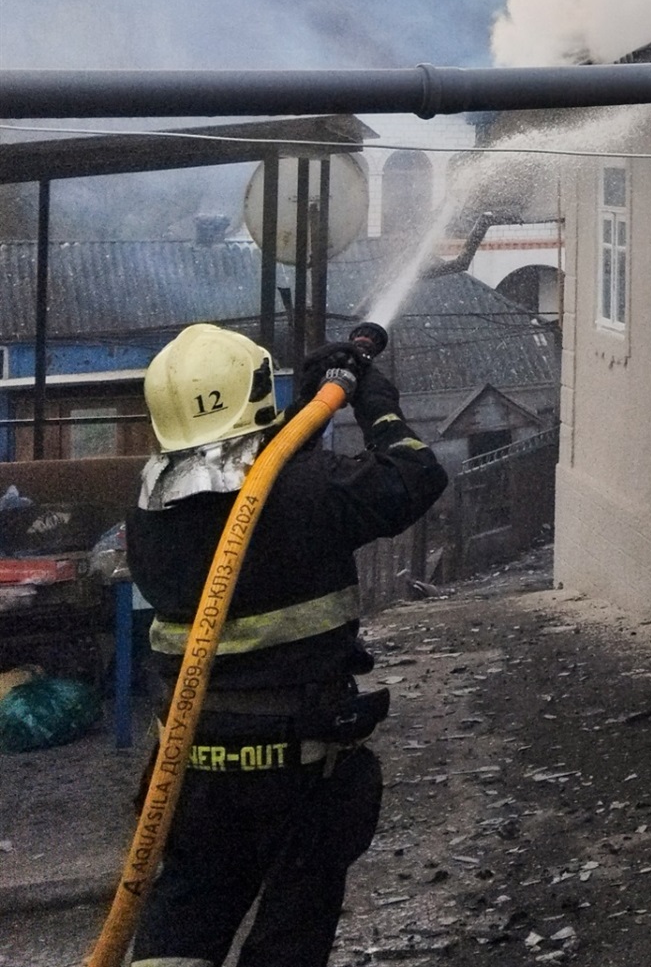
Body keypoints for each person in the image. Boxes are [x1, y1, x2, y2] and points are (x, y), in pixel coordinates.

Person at [124, 323, 446, 967]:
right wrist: (373, 401)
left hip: (192, 759)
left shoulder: (148, 505)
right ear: (255, 394)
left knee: (188, 910)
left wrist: (306, 408)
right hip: (298, 761)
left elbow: (249, 473)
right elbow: (415, 474)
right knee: (293, 923)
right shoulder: (313, 492)